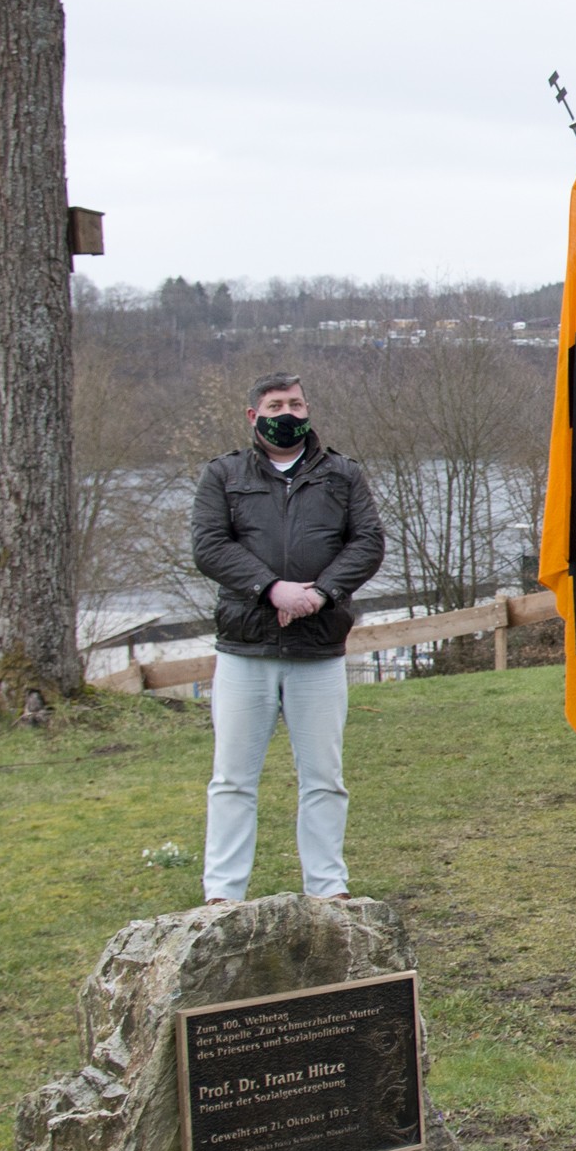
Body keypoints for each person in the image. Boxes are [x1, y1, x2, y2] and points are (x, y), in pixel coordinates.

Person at [189, 373, 387, 904]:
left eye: (297, 403)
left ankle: (328, 888)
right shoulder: (223, 475)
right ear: (254, 416)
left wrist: (320, 593)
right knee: (232, 778)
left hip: (318, 649)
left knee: (324, 777)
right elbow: (209, 546)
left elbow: (367, 543)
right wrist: (270, 589)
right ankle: (222, 895)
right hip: (244, 649)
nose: (289, 412)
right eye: (277, 404)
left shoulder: (343, 475)